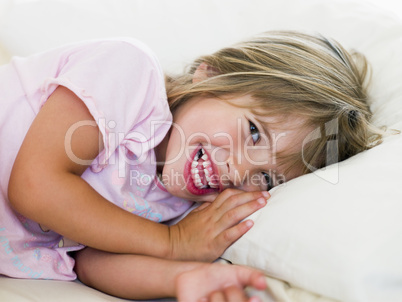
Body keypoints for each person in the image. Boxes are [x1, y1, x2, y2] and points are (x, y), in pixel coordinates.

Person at [0, 30, 381, 301]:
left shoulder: (180, 204)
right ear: (211, 75)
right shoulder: (130, 72)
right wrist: (171, 245)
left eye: (264, 177)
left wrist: (183, 274)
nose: (237, 170)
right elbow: (36, 186)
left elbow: (92, 261)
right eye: (253, 131)